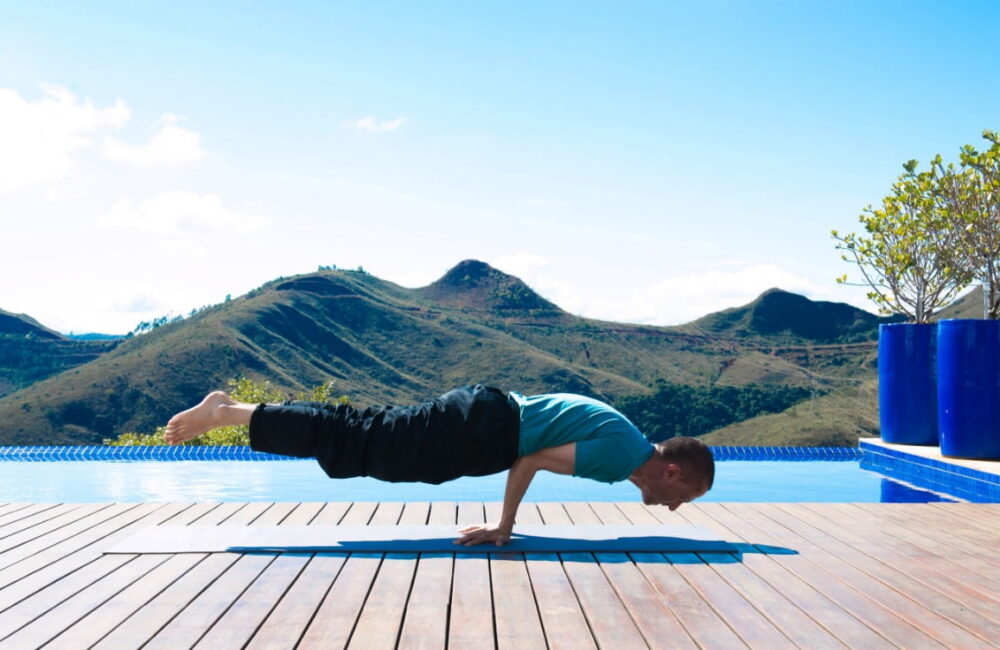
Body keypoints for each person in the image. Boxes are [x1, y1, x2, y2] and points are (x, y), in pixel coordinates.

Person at [163, 384, 714, 546]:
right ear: (672, 472)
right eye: (684, 496)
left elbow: (534, 453)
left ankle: (237, 412)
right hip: (484, 427)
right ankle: (230, 411)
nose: (676, 506)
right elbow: (530, 460)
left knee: (369, 446)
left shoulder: (626, 451)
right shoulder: (625, 455)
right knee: (361, 438)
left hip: (484, 425)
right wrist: (505, 527)